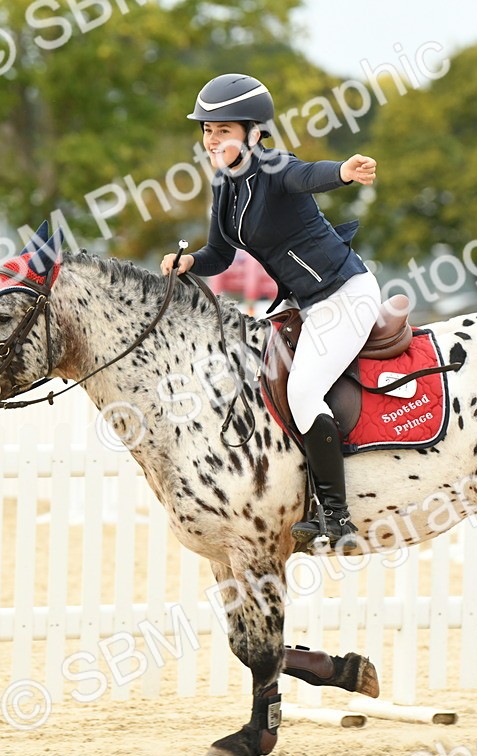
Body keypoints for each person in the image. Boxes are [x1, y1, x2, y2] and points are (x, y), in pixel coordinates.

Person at [160, 73, 379, 548]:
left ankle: (337, 517)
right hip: (300, 304)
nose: (211, 139)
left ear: (254, 132)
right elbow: (220, 254)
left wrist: (343, 171)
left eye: (222, 130)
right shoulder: (224, 182)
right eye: (206, 130)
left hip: (344, 297)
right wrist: (190, 262)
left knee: (302, 392)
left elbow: (309, 174)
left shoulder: (275, 165)